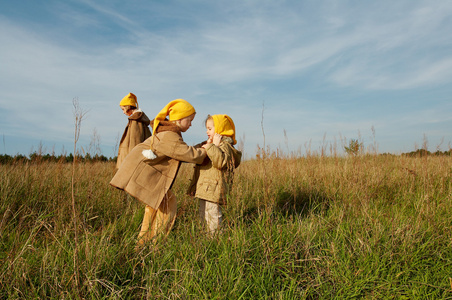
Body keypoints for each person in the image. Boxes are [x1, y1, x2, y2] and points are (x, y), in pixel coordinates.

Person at [110, 99, 206, 247]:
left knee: (155, 205)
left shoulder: (169, 133)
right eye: (190, 120)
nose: (191, 124)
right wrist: (206, 150)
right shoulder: (170, 135)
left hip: (142, 172)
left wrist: (200, 146)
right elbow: (188, 154)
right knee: (168, 202)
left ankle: (144, 243)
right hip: (141, 173)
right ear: (179, 119)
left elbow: (181, 150)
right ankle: (156, 242)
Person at [188, 114, 242, 234]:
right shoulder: (210, 143)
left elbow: (221, 162)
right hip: (205, 189)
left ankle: (215, 240)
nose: (207, 131)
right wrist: (209, 144)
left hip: (214, 189)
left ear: (220, 129)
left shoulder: (226, 146)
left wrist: (212, 146)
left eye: (210, 128)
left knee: (213, 217)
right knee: (203, 215)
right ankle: (205, 238)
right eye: (207, 128)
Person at [116, 92, 151, 169]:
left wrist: (131, 163)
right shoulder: (139, 120)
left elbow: (135, 143)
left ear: (128, 107)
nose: (123, 112)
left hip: (131, 164)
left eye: (123, 109)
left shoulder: (136, 121)